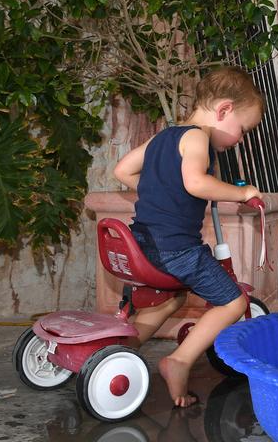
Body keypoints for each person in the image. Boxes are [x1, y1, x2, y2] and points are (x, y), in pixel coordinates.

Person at [111, 64, 264, 408]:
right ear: (224, 110)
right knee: (233, 301)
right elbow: (196, 183)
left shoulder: (164, 136)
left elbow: (122, 170)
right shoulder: (197, 137)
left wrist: (162, 192)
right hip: (176, 246)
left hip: (144, 241)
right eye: (243, 129)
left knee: (170, 298)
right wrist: (241, 193)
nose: (240, 138)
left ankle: (122, 353)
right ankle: (178, 361)